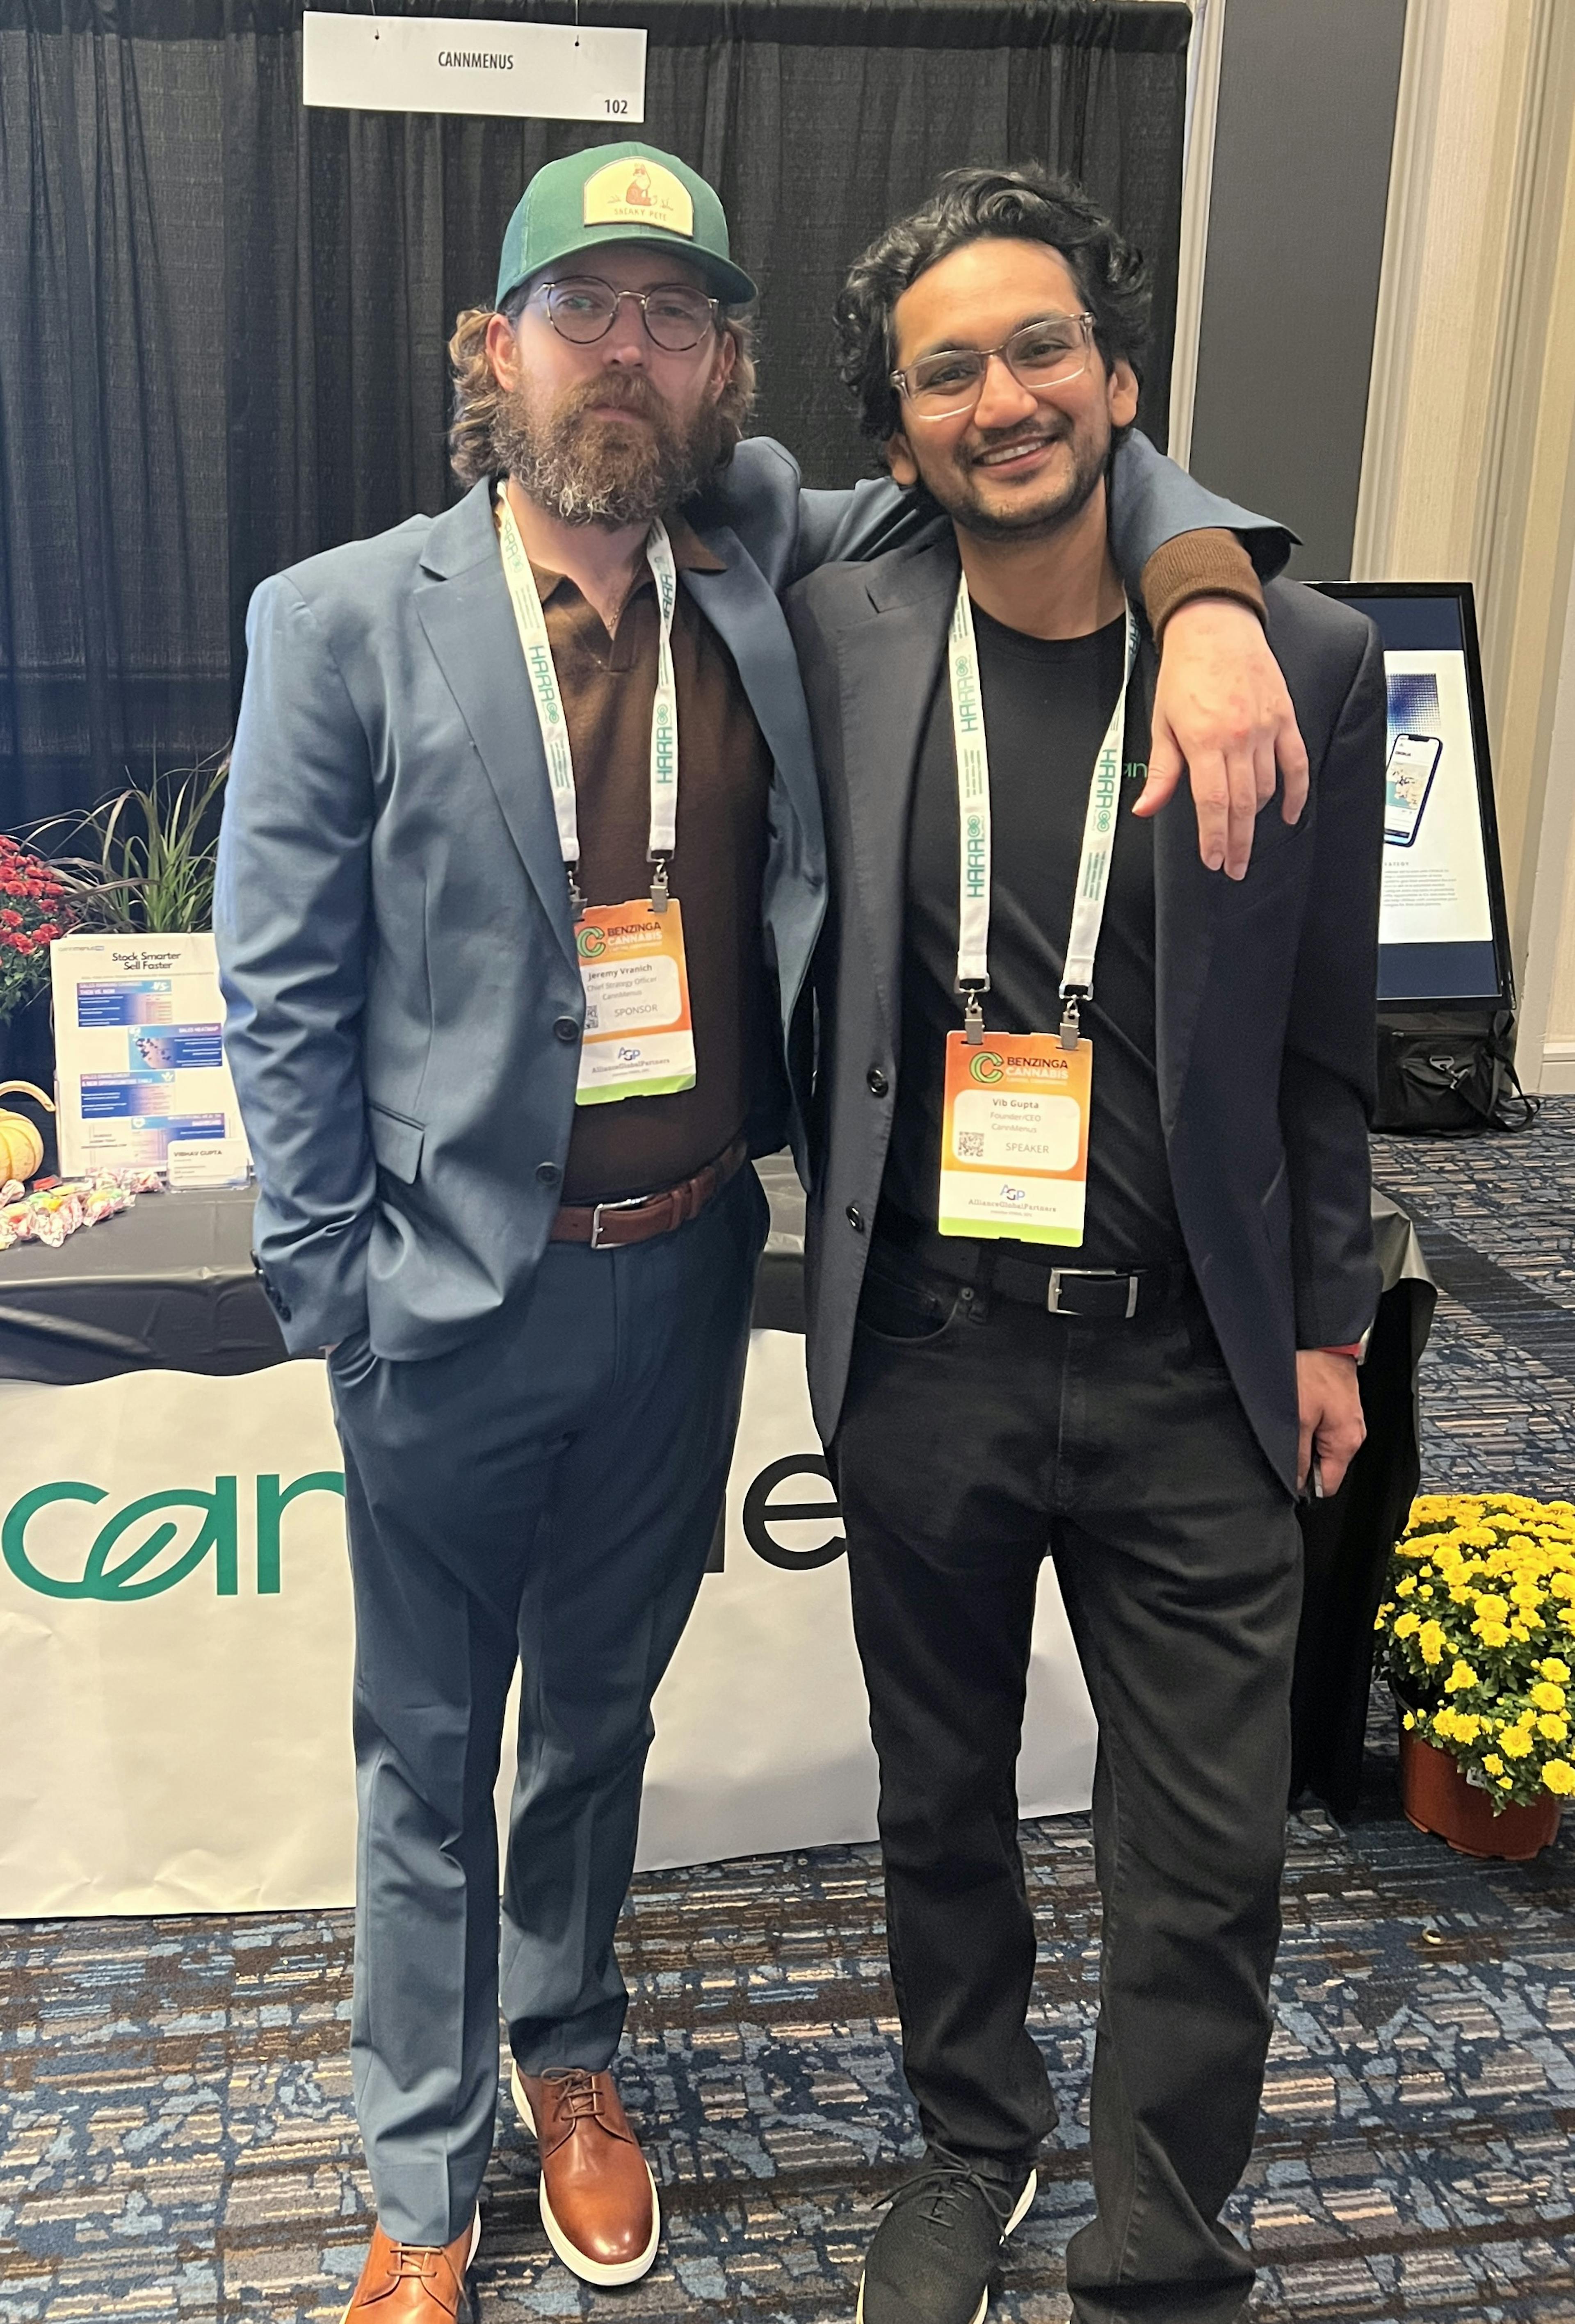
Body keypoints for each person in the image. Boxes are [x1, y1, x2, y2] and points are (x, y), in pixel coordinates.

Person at [215, 141, 1307, 2322]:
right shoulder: (342, 619)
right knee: (428, 1744)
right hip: (446, 1298)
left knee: (597, 1721)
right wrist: (340, 1290)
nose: (624, 354)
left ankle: (572, 2054)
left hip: (692, 1270)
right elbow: (281, 994)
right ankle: (420, 2185)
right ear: (494, 347)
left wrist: (1202, 596)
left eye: (673, 316)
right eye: (581, 309)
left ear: (724, 367)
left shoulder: (765, 551)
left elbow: (1054, 443)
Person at [786, 165, 1384, 2324]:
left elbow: (1331, 1051)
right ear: (899, 435)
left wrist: (1331, 1317)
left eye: (1045, 346)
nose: (1003, 395)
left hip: (1189, 1362)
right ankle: (972, 2138)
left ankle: (1162, 2244)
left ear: (1124, 383)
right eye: (948, 369)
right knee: (940, 1802)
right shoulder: (847, 616)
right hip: (928, 1341)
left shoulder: (1301, 658)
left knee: (1207, 1855)